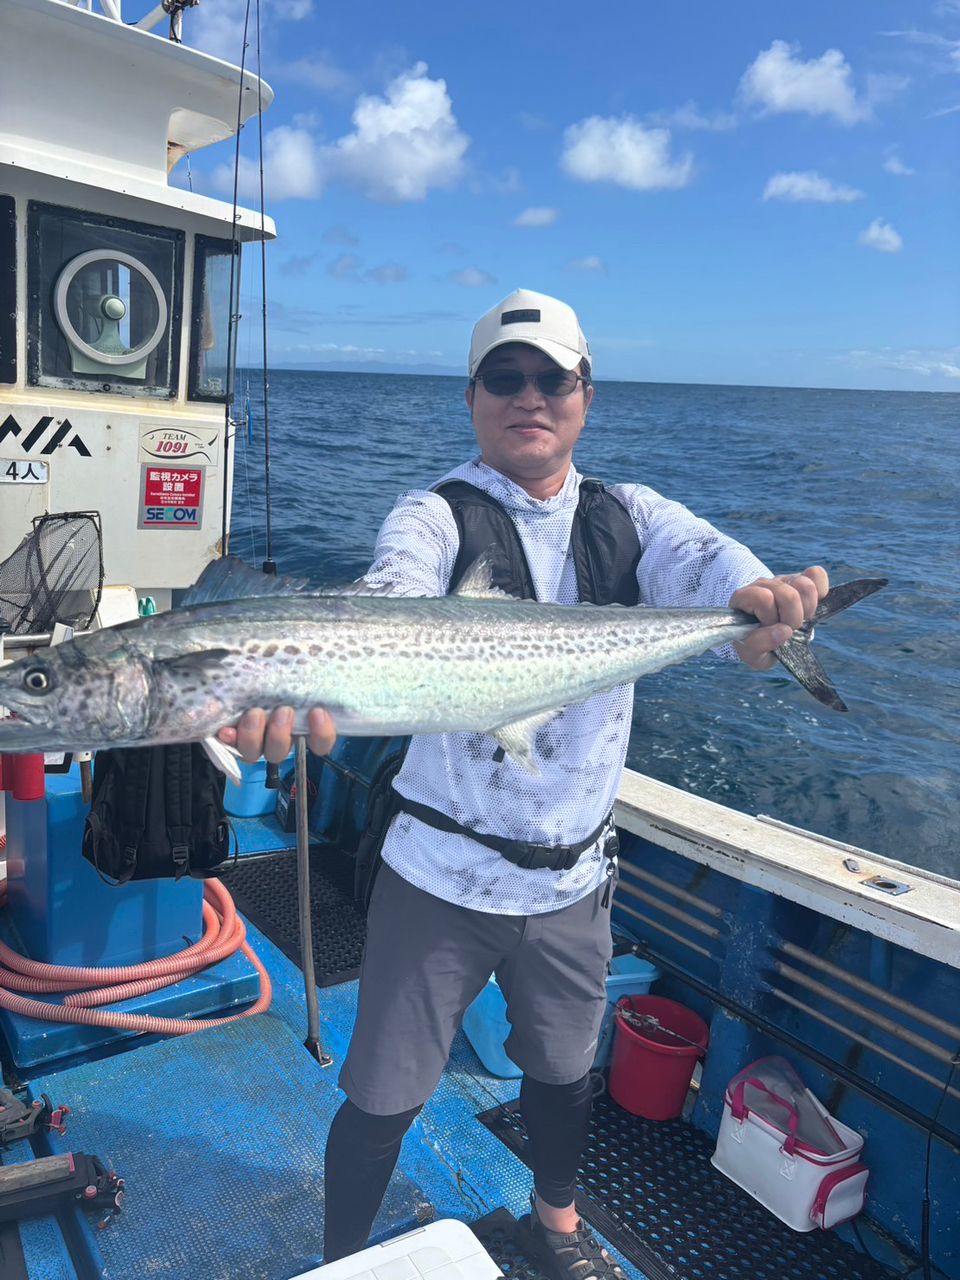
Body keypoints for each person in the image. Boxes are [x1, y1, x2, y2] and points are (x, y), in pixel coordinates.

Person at [219, 289, 828, 1277]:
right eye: (507, 376)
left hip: (574, 880)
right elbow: (392, 595)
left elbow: (719, 574)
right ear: (474, 395)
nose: (530, 395)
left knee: (560, 1076)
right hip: (438, 879)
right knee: (380, 1095)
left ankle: (555, 1233)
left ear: (586, 394)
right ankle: (341, 1261)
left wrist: (767, 614)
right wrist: (300, 674)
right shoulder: (435, 514)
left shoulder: (633, 516)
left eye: (554, 376)